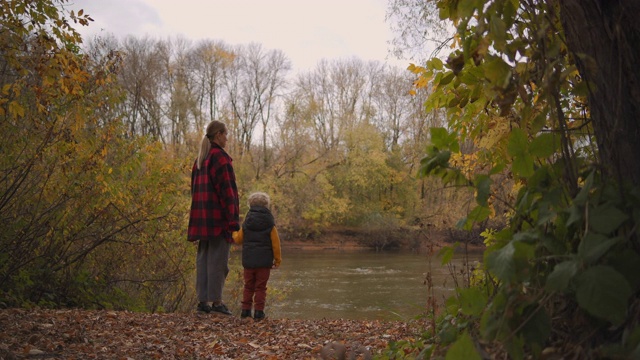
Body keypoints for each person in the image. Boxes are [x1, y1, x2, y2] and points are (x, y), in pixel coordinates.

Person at [188, 120, 239, 315]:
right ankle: (217, 303)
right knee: (218, 262)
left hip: (201, 219)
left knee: (203, 260)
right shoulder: (221, 159)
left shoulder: (200, 159)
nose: (227, 138)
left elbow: (193, 191)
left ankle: (203, 302)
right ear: (218, 135)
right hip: (218, 219)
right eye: (226, 134)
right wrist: (233, 220)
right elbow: (228, 192)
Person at [232, 192, 282, 320]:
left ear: (250, 205)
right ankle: (259, 312)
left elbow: (238, 239)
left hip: (249, 261)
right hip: (264, 263)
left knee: (248, 286)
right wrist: (277, 260)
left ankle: (245, 311)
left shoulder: (247, 223)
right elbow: (276, 244)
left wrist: (233, 233)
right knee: (261, 287)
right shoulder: (270, 224)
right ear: (267, 205)